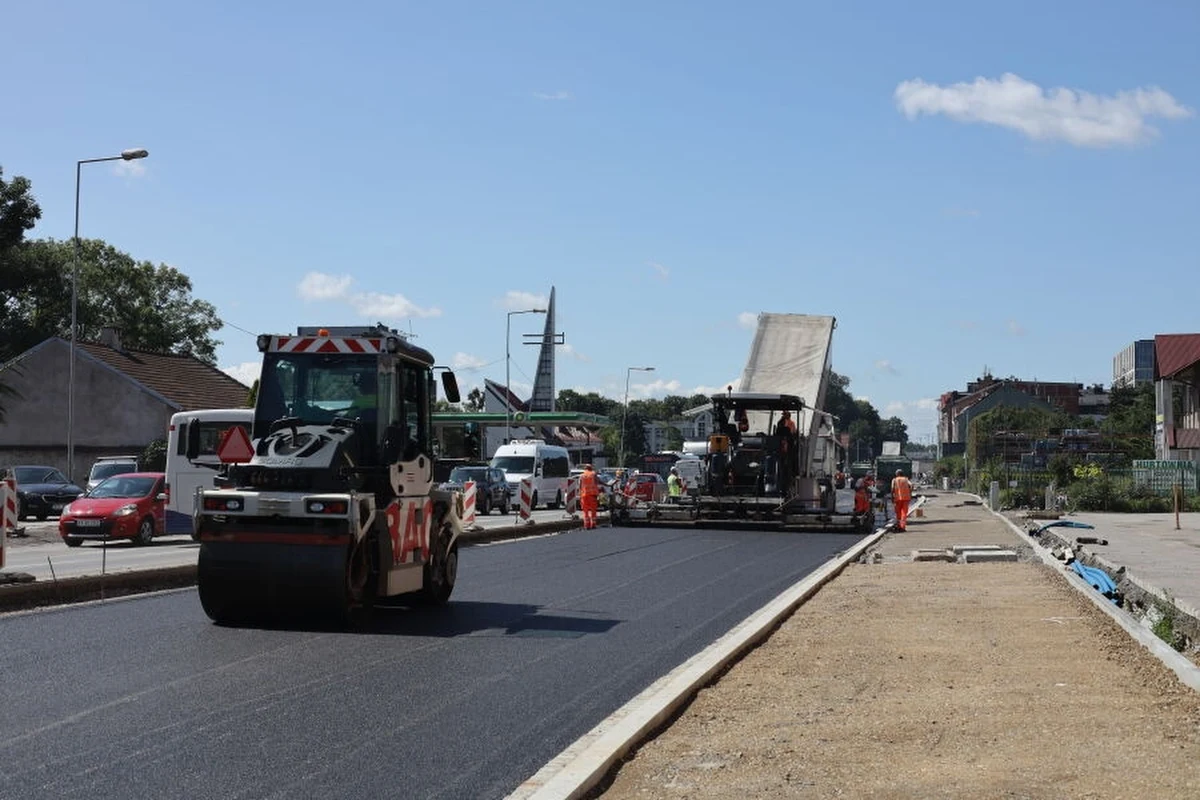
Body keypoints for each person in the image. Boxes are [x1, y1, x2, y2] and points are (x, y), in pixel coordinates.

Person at [579, 463, 600, 529]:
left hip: (584, 495)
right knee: (593, 511)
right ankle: (593, 524)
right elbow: (597, 482)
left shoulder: (582, 475)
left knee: (585, 511)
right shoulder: (593, 474)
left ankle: (586, 525)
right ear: (591, 468)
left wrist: (580, 493)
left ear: (585, 469)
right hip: (592, 495)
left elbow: (580, 485)